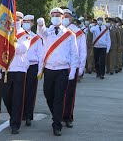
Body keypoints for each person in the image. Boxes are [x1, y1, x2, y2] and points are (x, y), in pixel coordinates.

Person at [37, 8, 78, 136]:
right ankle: (57, 114)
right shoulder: (47, 32)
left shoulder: (69, 34)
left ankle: (57, 124)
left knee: (59, 98)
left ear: (62, 17)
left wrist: (73, 70)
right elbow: (41, 32)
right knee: (48, 95)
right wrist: (40, 24)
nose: (55, 17)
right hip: (49, 69)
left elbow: (74, 53)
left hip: (62, 70)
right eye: (53, 15)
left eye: (58, 15)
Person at [1, 11, 30, 134]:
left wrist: (9, 44)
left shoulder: (25, 34)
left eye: (18, 19)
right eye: (14, 19)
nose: (16, 21)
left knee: (17, 97)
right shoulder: (4, 33)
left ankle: (15, 124)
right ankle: (14, 115)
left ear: (22, 21)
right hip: (6, 69)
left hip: (19, 69)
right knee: (6, 97)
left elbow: (23, 49)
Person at [61, 9, 86, 128]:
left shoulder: (78, 32)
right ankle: (58, 114)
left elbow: (82, 51)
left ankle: (68, 117)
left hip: (72, 66)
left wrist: (80, 67)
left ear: (71, 18)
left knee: (69, 93)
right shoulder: (57, 30)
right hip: (59, 66)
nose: (65, 18)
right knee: (57, 93)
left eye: (67, 16)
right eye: (63, 16)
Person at [22, 14, 43, 127]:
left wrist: (40, 70)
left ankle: (29, 115)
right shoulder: (18, 36)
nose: (26, 23)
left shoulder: (37, 38)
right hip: (20, 66)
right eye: (24, 21)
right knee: (20, 91)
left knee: (30, 92)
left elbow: (40, 55)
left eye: (29, 22)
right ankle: (21, 113)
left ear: (33, 23)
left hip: (32, 66)